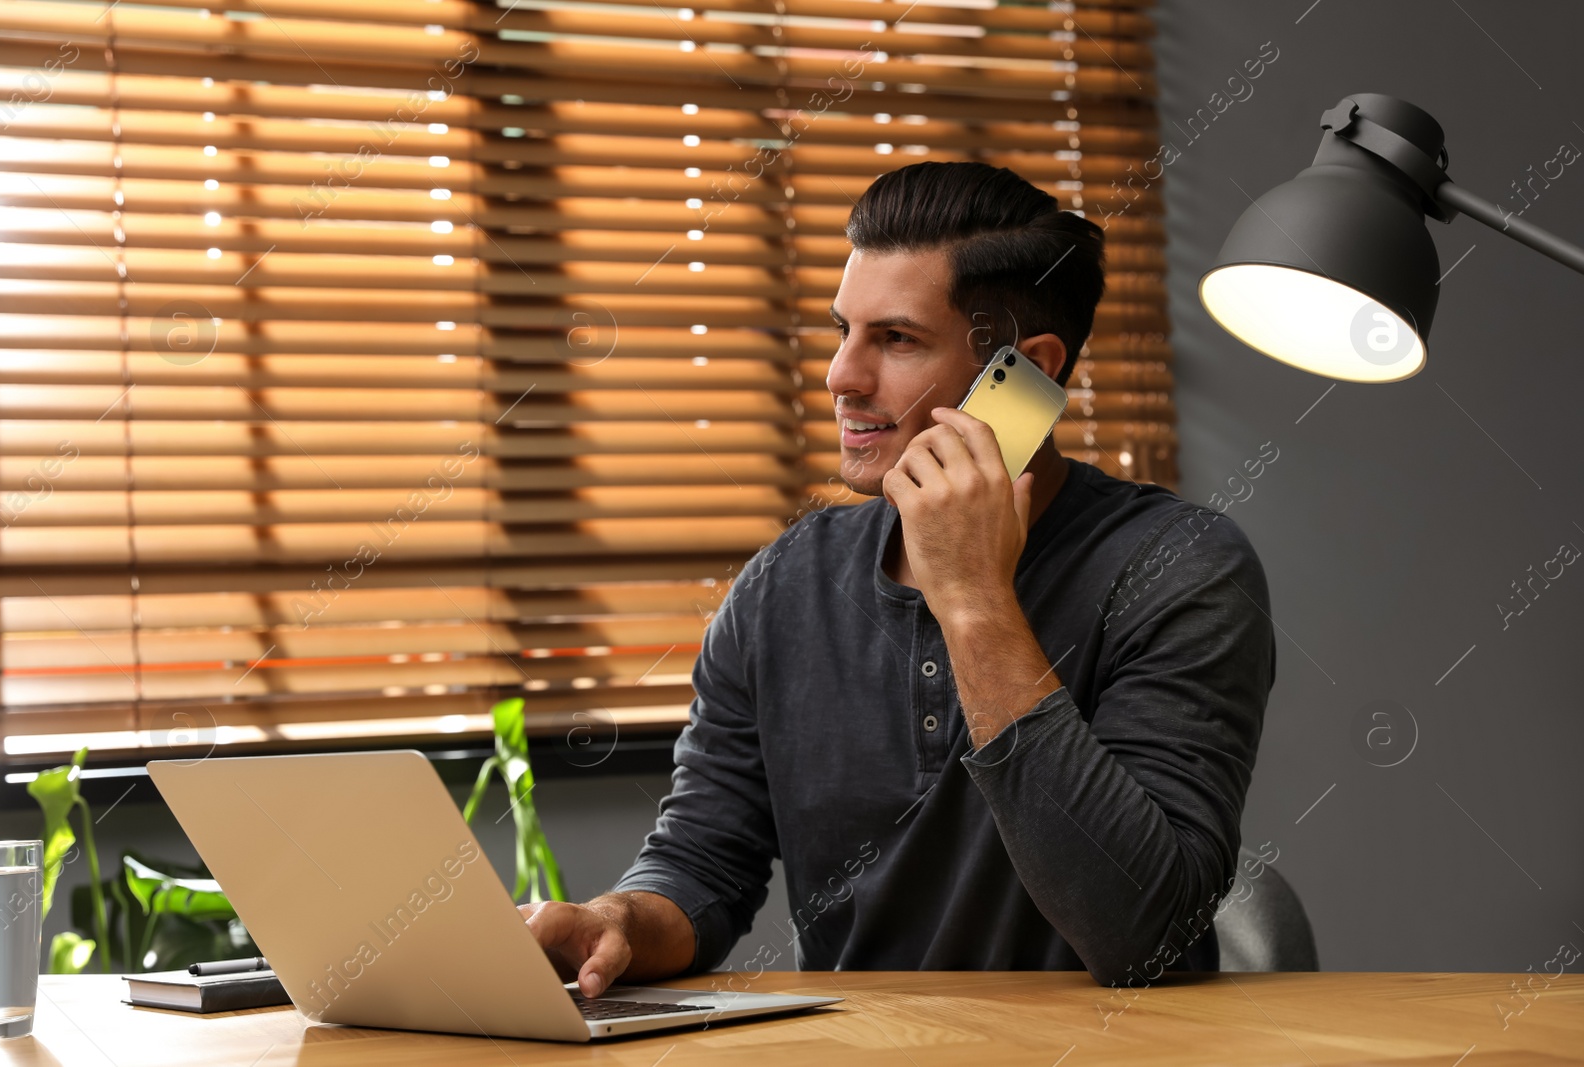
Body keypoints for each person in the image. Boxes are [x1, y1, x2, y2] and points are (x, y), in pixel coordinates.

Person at [520, 161, 1276, 994]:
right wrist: (619, 921)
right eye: (843, 330)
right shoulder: (785, 584)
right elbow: (703, 862)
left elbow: (1143, 933)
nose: (843, 375)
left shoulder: (1180, 567)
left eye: (897, 338)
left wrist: (975, 599)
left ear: (1026, 372)